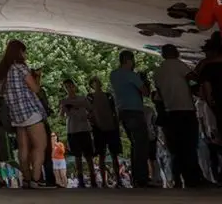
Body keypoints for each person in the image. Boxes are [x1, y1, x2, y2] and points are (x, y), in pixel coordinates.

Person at [0, 39, 50, 188]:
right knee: (40, 145)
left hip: (16, 115)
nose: (26, 54)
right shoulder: (20, 68)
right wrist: (37, 76)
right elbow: (35, 89)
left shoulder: (3, 71)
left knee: (23, 148)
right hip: (30, 111)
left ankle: (26, 178)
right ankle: (36, 179)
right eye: (24, 51)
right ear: (19, 52)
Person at [153, 43, 204, 187]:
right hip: (185, 109)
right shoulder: (179, 65)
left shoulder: (158, 72)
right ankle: (192, 178)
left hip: (170, 111)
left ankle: (177, 178)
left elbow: (159, 93)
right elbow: (193, 78)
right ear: (176, 53)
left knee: (175, 147)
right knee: (190, 145)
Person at [110, 50, 150, 187]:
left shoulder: (114, 75)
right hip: (135, 111)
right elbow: (145, 92)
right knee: (141, 144)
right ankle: (142, 177)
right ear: (129, 61)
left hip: (122, 111)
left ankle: (136, 177)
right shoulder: (131, 75)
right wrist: (143, 80)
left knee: (134, 143)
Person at [59, 78, 97, 187]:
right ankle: (81, 180)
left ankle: (93, 179)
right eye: (66, 87)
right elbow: (61, 116)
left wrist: (87, 117)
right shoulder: (65, 101)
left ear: (74, 87)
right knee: (77, 156)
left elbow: (91, 110)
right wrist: (62, 108)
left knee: (89, 155)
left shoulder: (82, 99)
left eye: (70, 86)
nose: (69, 89)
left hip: (84, 128)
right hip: (72, 130)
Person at [87, 76, 123, 187]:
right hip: (98, 129)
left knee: (114, 155)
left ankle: (119, 180)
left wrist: (116, 125)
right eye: (95, 82)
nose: (97, 84)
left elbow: (114, 111)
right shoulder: (90, 97)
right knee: (101, 155)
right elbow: (89, 112)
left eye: (98, 81)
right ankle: (104, 181)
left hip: (111, 127)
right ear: (91, 85)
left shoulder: (108, 96)